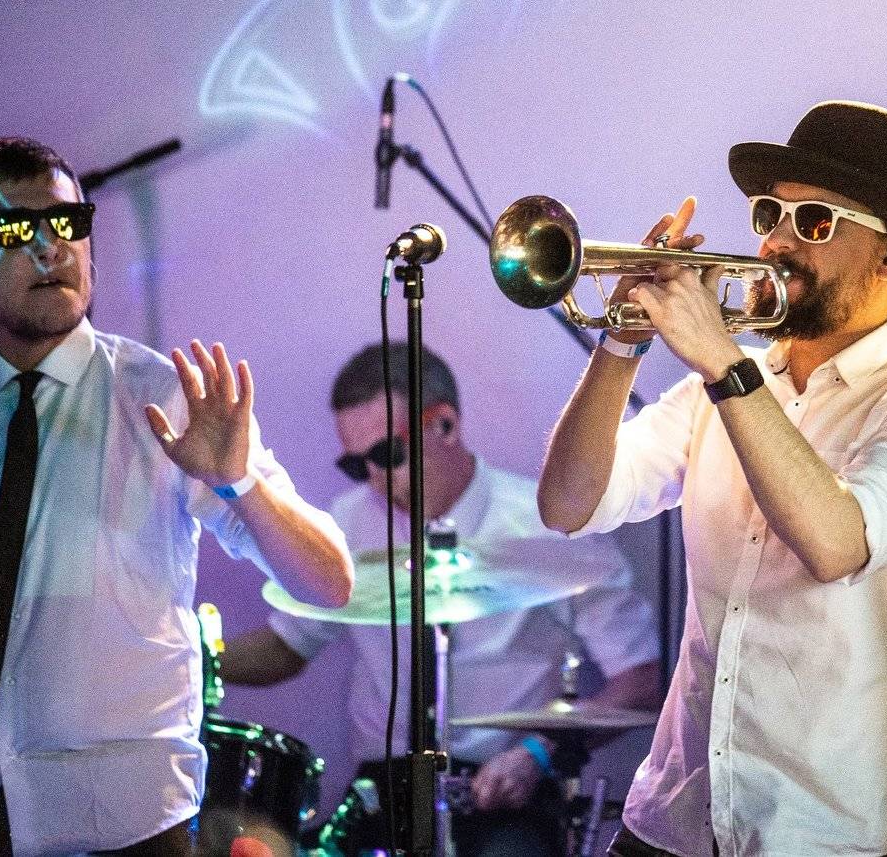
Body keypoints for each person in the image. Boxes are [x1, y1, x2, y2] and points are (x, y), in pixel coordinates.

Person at [538, 100, 887, 857]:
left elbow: (836, 545)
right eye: (768, 214)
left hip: (822, 835)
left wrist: (724, 362)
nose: (777, 241)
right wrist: (620, 344)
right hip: (672, 821)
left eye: (813, 221)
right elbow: (567, 505)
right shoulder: (721, 392)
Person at [0, 137, 355, 857]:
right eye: (15, 229)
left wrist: (239, 482)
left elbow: (329, 582)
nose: (51, 247)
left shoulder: (164, 398)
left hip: (126, 814)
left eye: (67, 222)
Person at [219, 342, 660, 856]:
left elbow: (639, 680)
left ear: (445, 425)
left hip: (504, 790)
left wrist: (536, 755)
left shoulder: (548, 522)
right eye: (357, 465)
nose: (376, 478)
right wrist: (192, 656)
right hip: (382, 789)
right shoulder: (348, 522)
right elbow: (287, 647)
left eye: (387, 455)